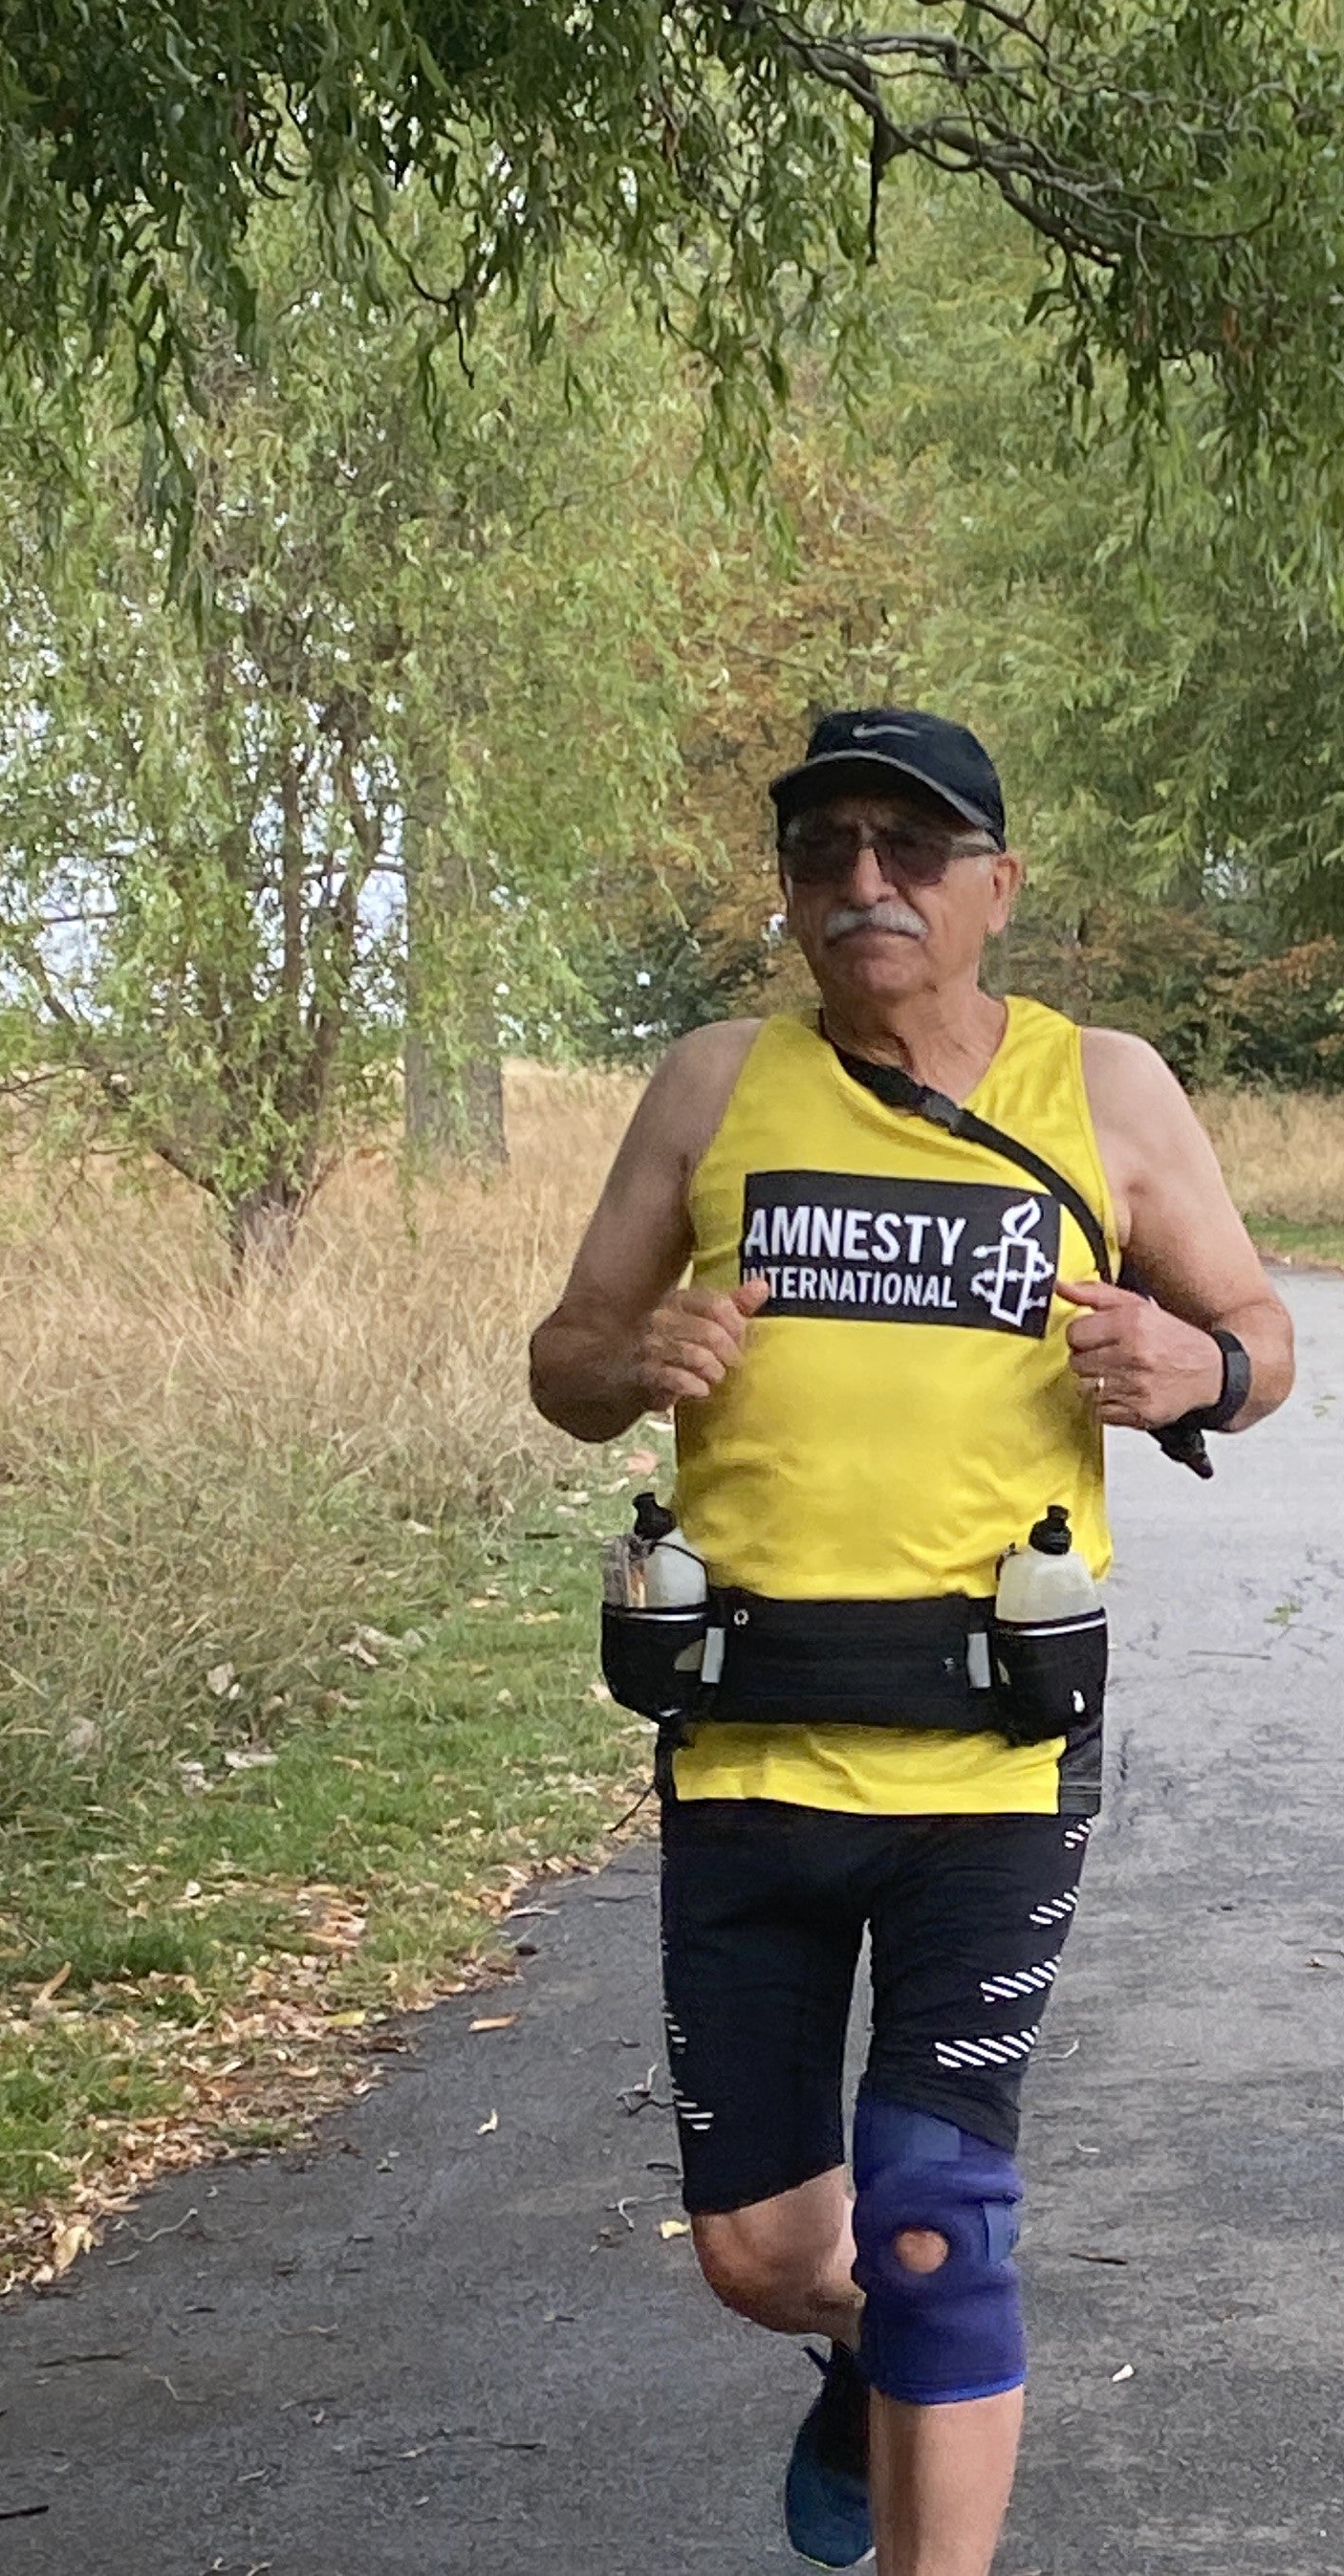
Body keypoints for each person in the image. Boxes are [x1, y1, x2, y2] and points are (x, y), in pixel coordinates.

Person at [529, 708, 1292, 2573]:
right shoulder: (715, 1085)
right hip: (747, 1750)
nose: (865, 884)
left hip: (993, 1750)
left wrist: (1195, 1365)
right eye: (824, 852)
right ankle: (876, 2363)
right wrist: (638, 1361)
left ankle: (930, 2393)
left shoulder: (1108, 1091)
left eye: (913, 849)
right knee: (769, 2256)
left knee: (941, 2217)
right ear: (791, 894)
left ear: (996, 887)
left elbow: (1262, 1333)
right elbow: (562, 1361)